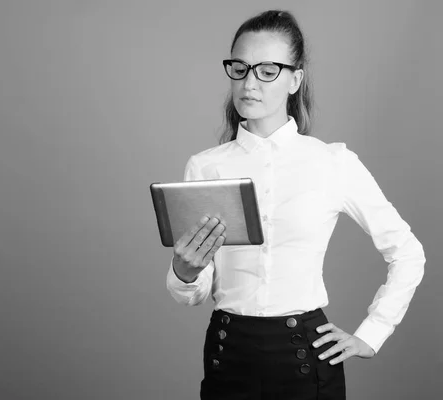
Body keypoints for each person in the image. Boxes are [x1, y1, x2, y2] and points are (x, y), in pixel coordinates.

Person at [166, 9, 426, 400]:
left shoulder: (332, 162)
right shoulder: (206, 166)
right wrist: (184, 272)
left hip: (305, 355)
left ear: (295, 79)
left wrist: (372, 334)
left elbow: (408, 253)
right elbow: (197, 289)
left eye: (267, 70)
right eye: (240, 68)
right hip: (227, 353)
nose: (249, 83)